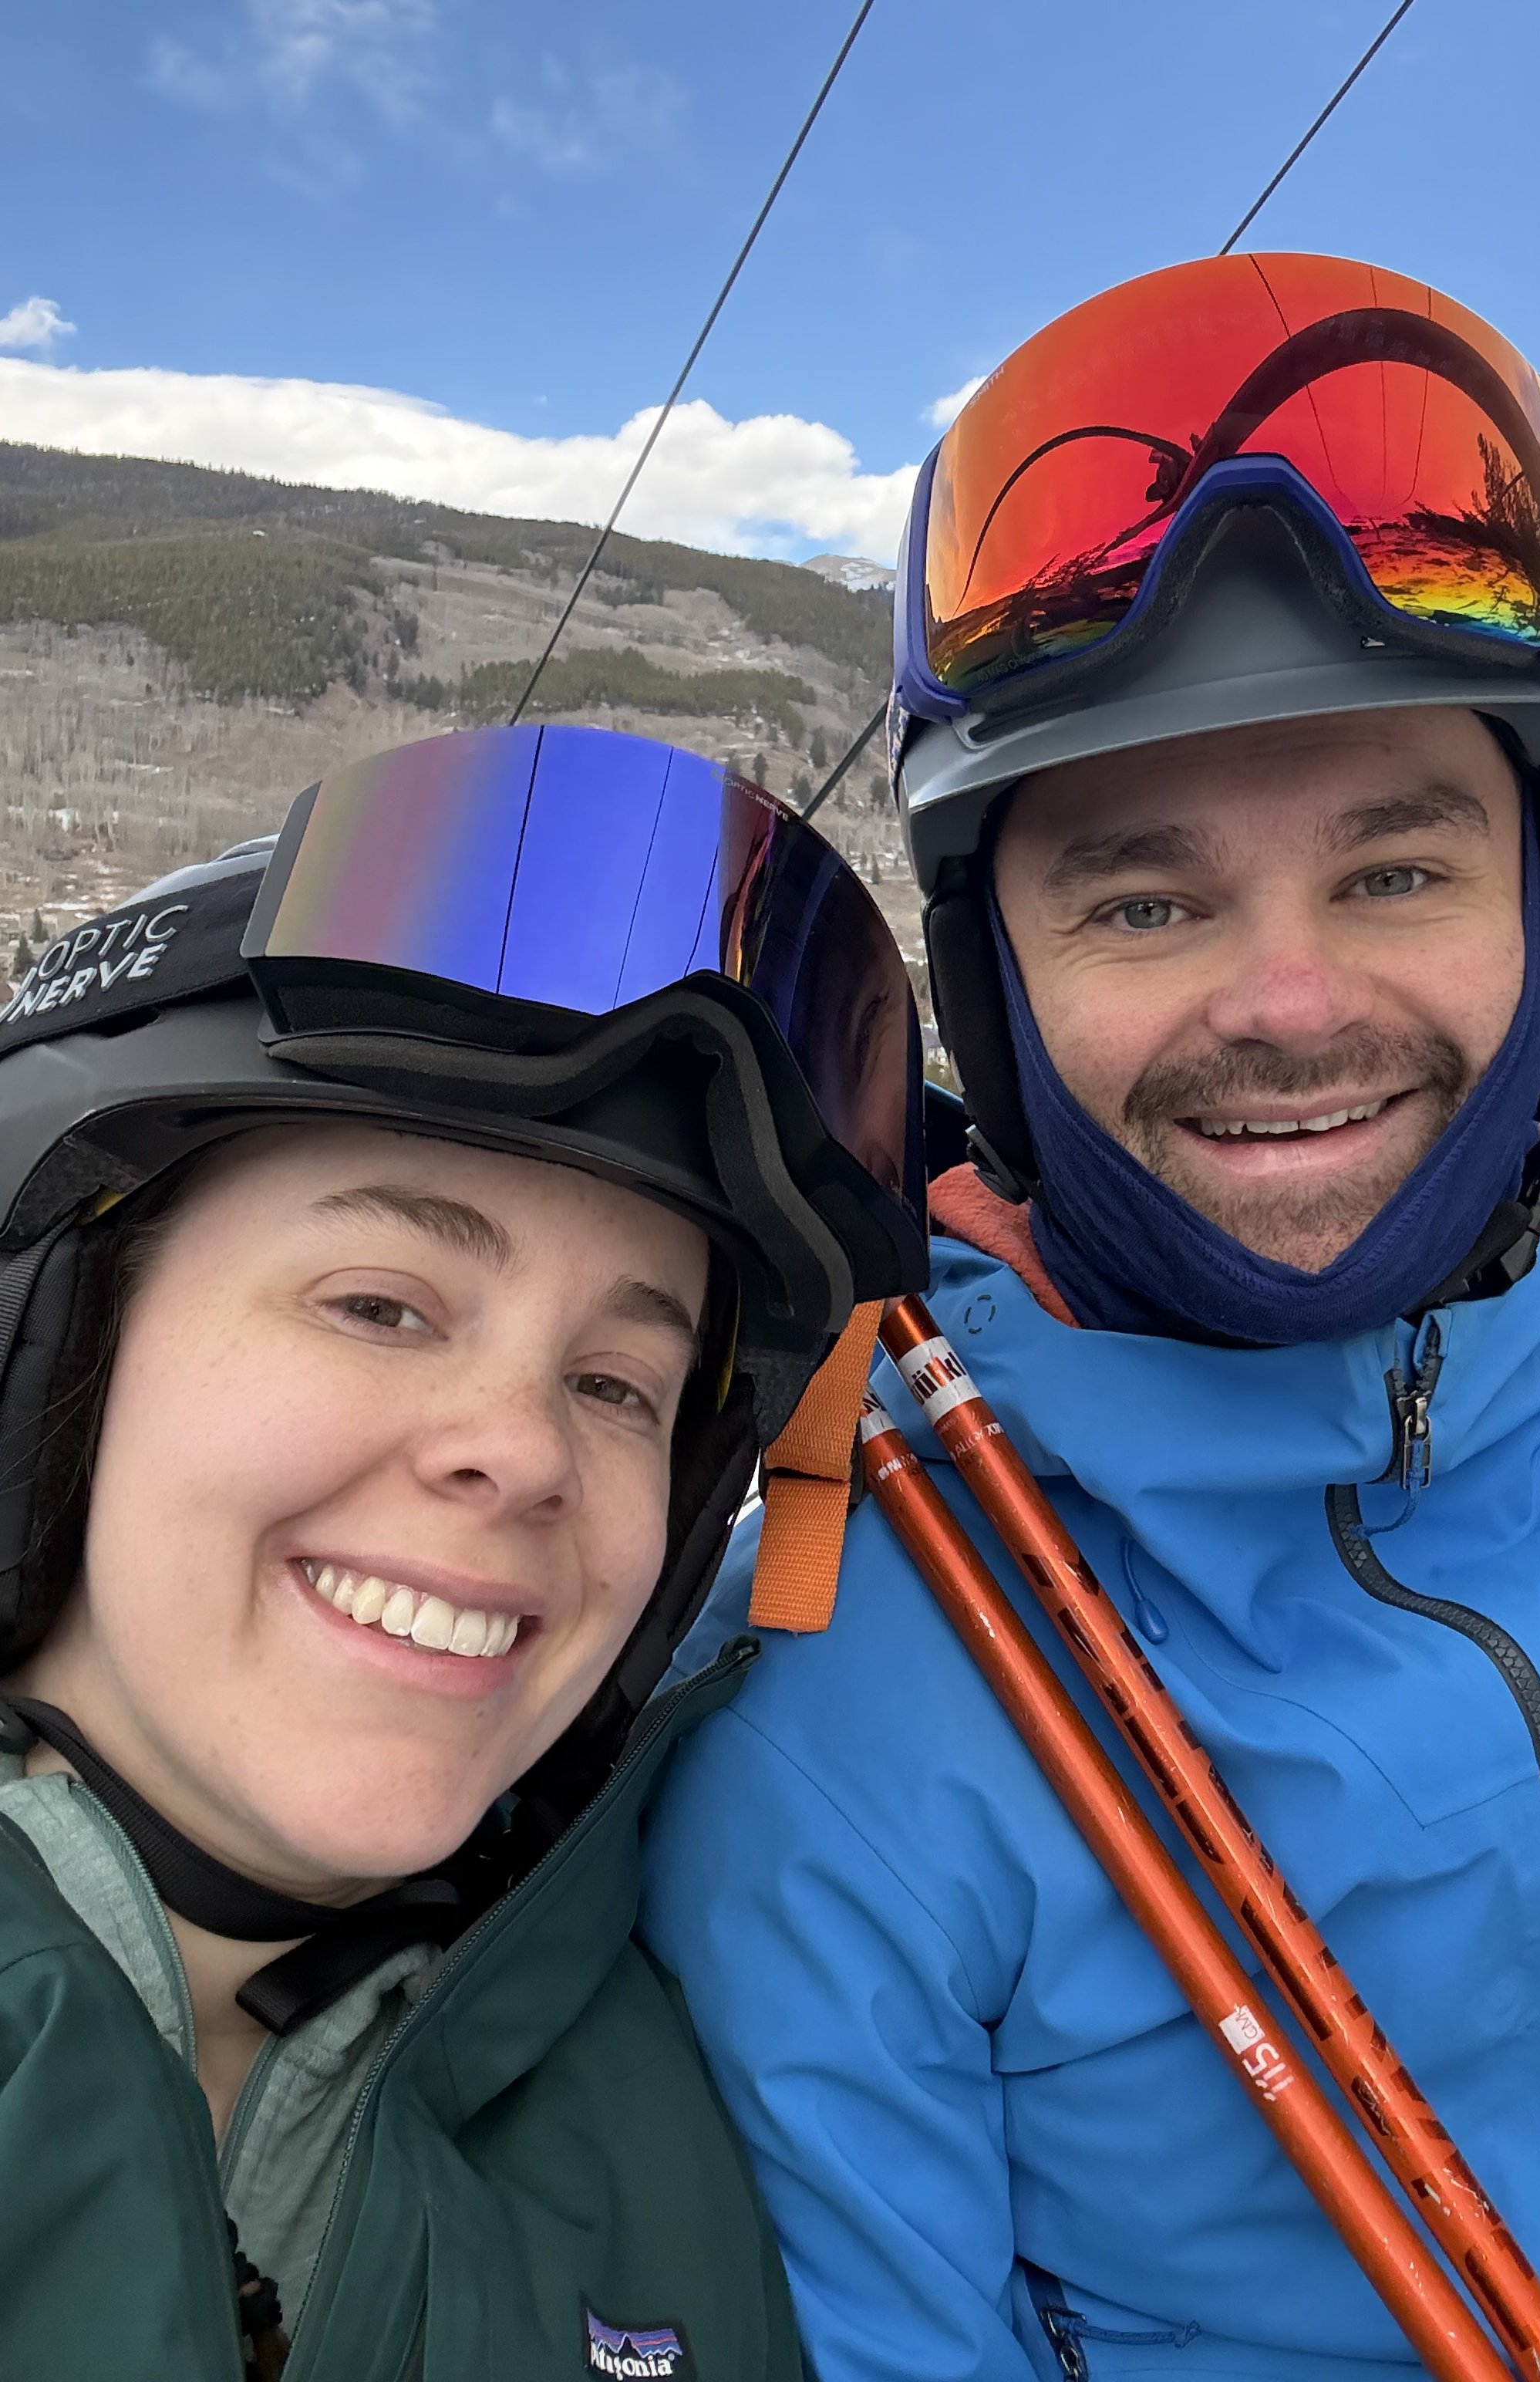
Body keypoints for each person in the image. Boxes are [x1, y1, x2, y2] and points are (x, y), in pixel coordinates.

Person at [641, 254, 1540, 2381]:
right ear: (997, 992)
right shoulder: (843, 1689)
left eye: (1393, 871)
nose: (1286, 1003)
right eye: (1146, 901)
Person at [0, 721, 925, 2381]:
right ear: (66, 1348)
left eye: (616, 1381)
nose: (521, 1449)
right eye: (381, 1303)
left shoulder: (673, 2141)